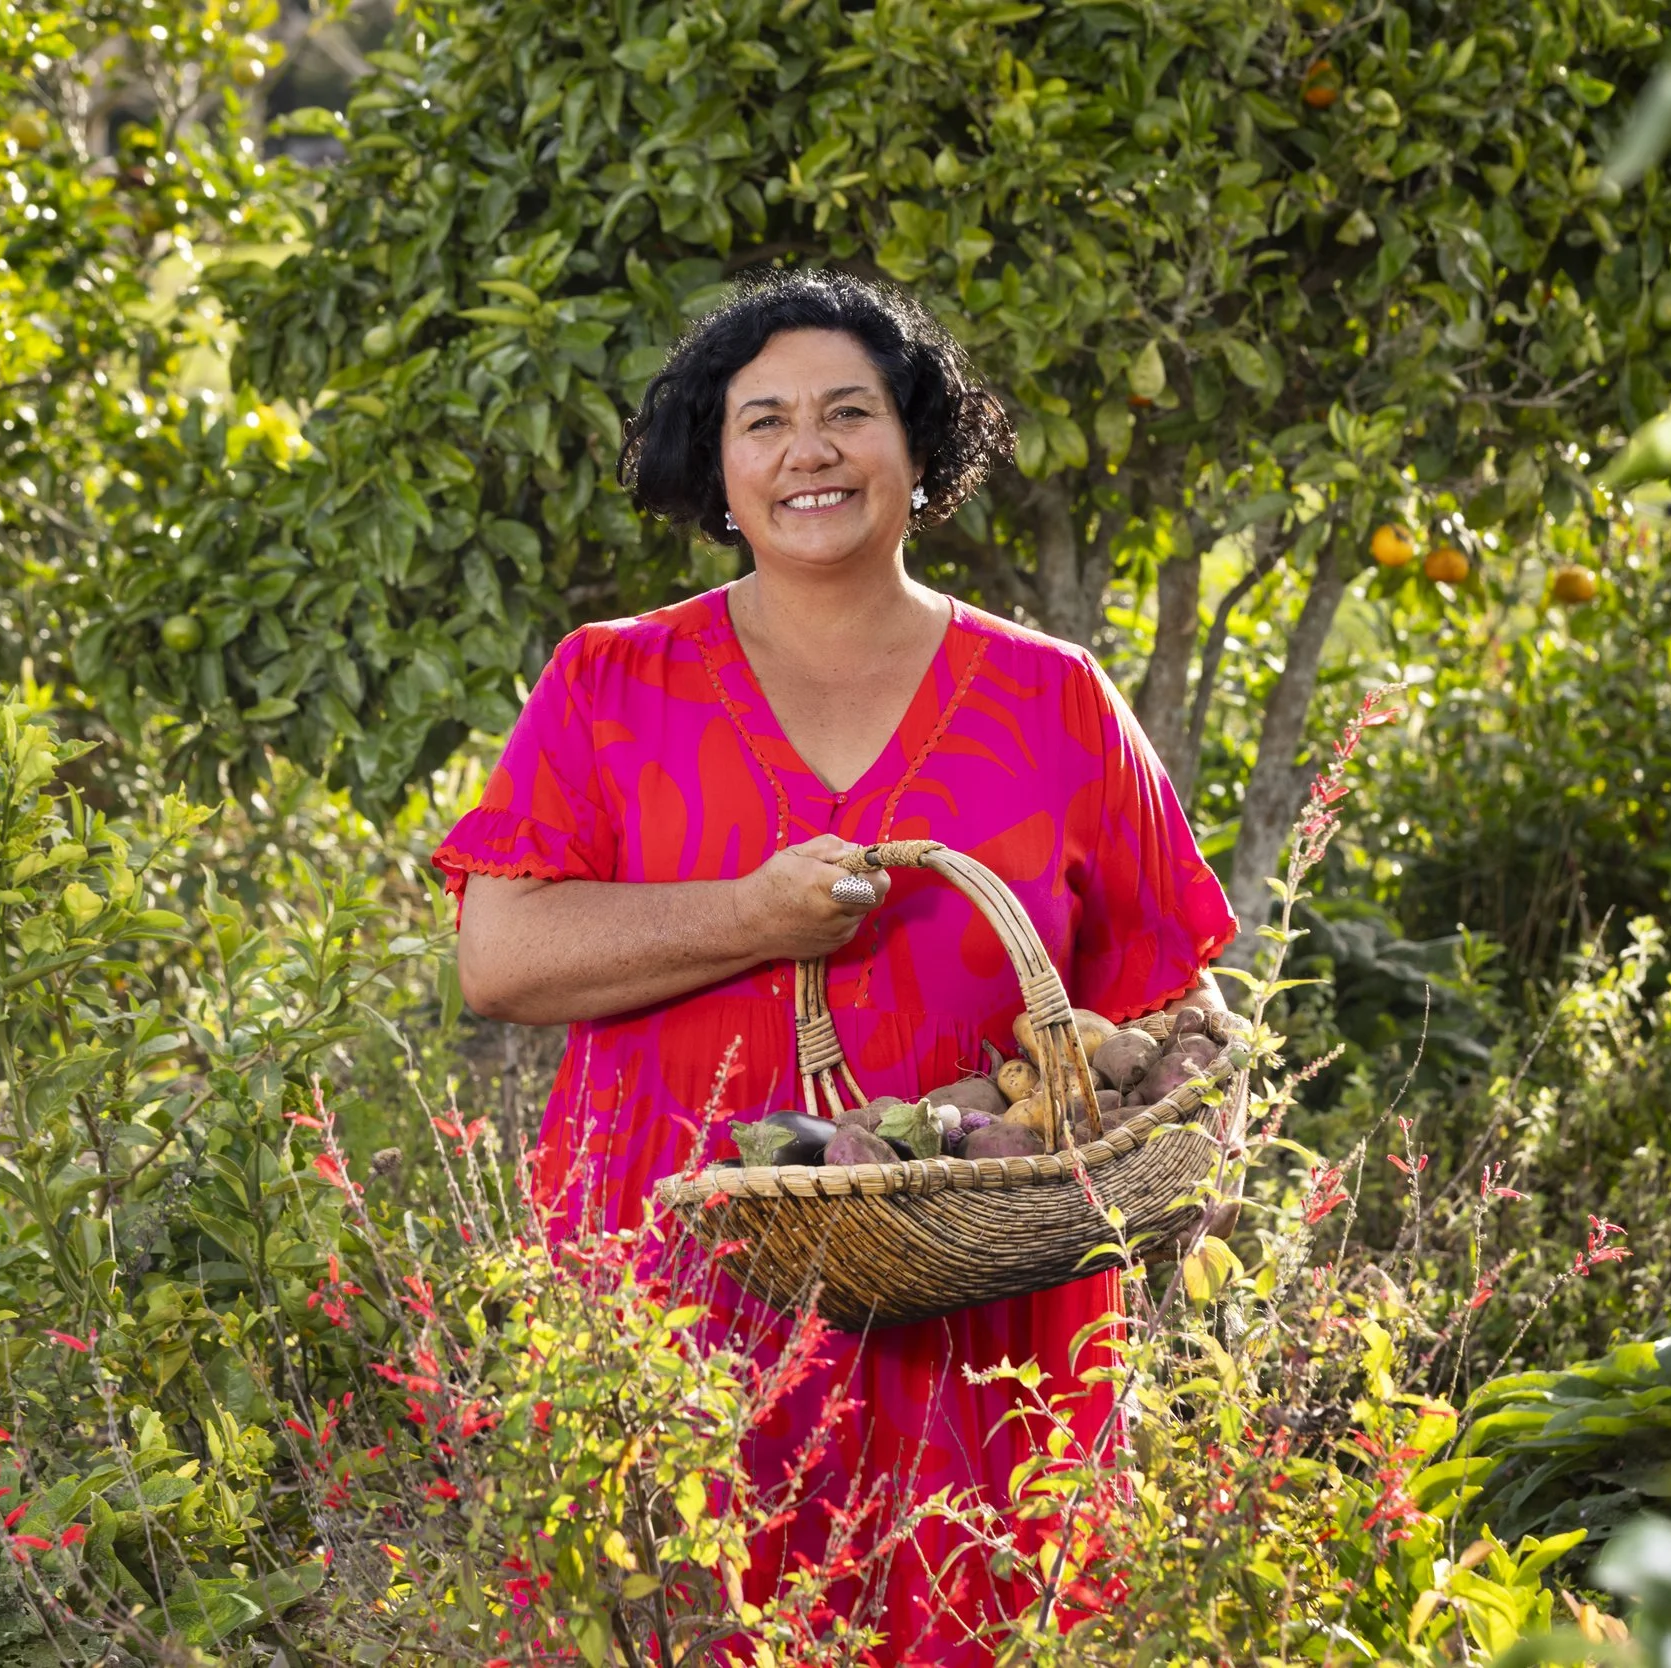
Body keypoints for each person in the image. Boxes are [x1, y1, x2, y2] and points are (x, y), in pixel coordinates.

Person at [436, 270, 1236, 1661]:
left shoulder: (1056, 701)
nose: (809, 451)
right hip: (674, 1277)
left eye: (850, 413)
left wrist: (1196, 1097)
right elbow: (499, 957)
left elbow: (1169, 996)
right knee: (681, 1611)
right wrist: (749, 916)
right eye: (764, 423)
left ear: (919, 450)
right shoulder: (609, 684)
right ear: (716, 466)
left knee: (979, 1616)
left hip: (984, 1309)